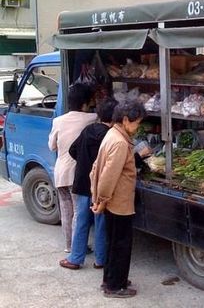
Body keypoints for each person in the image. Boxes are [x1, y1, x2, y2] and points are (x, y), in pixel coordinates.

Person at [90, 100, 147, 298]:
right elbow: (108, 176)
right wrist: (102, 200)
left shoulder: (112, 134)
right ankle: (115, 286)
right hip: (118, 202)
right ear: (125, 120)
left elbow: (96, 169)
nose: (137, 127)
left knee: (113, 242)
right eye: (137, 122)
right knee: (121, 244)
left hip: (112, 201)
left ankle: (112, 279)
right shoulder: (120, 143)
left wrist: (98, 198)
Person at [59, 98, 118, 270]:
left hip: (83, 183)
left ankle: (75, 259)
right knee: (101, 223)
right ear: (115, 118)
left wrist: (84, 163)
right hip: (98, 185)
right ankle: (100, 260)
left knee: (82, 221)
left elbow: (72, 150)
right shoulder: (110, 136)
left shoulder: (88, 130)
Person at [48, 83, 97, 253]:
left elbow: (51, 146)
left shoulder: (58, 121)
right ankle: (79, 248)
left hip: (60, 173)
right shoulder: (91, 118)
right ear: (86, 102)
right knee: (78, 213)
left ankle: (69, 246)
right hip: (77, 174)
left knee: (66, 212)